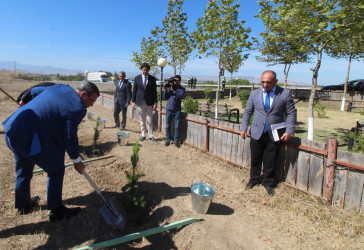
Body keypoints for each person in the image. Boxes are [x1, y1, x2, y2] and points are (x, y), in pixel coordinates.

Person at [2, 82, 100, 221]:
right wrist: (76, 161)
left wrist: (23, 101)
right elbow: (69, 136)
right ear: (83, 94)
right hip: (28, 138)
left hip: (12, 130)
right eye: (92, 100)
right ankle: (56, 210)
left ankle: (24, 204)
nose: (91, 105)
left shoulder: (60, 87)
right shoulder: (78, 108)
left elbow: (34, 91)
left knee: (24, 168)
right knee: (56, 169)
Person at [240, 70, 296, 196]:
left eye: (268, 82)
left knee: (271, 159)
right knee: (256, 158)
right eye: (263, 82)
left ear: (276, 81)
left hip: (275, 132)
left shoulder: (285, 94)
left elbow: (291, 113)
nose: (265, 85)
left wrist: (289, 130)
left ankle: (268, 183)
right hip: (256, 131)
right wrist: (243, 128)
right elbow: (248, 111)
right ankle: (253, 180)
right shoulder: (254, 94)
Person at [132, 62, 158, 142]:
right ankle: (143, 135)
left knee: (149, 119)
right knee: (142, 119)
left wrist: (155, 102)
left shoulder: (152, 79)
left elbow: (154, 91)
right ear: (141, 69)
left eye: (146, 70)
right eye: (143, 70)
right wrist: (133, 101)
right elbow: (134, 90)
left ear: (148, 70)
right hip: (140, 101)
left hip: (149, 101)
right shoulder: (137, 78)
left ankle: (151, 136)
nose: (145, 72)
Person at [164, 75, 185, 148]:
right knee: (167, 126)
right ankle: (168, 140)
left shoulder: (182, 89)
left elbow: (180, 96)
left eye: (177, 80)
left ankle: (176, 141)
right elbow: (165, 97)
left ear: (180, 81)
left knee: (177, 127)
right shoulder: (170, 87)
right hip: (169, 108)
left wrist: (173, 90)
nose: (176, 82)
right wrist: (166, 90)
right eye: (175, 80)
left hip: (177, 110)